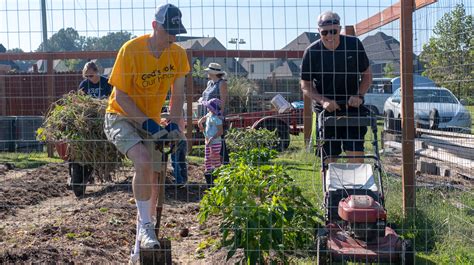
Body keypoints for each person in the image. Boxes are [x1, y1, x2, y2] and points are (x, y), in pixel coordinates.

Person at [103, 3, 189, 263]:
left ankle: (142, 237)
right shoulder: (131, 50)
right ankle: (146, 229)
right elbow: (122, 97)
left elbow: (178, 95)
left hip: (151, 119)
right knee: (142, 159)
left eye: (176, 33)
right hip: (121, 115)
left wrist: (174, 126)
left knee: (153, 172)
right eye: (168, 32)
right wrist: (151, 127)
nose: (172, 38)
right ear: (155, 26)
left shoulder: (178, 54)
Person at [300, 11, 372, 164]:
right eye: (325, 32)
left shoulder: (353, 45)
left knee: (355, 154)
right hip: (326, 110)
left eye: (333, 31)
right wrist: (323, 101)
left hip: (352, 107)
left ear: (339, 29)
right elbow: (305, 85)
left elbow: (367, 75)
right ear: (319, 32)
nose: (329, 36)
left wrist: (359, 95)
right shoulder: (311, 52)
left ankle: (355, 187)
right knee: (328, 157)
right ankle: (330, 188)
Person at [200, 62, 229, 163]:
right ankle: (212, 165)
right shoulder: (210, 83)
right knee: (210, 140)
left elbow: (223, 101)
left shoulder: (222, 83)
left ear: (214, 73)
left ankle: (223, 164)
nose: (207, 73)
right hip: (208, 114)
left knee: (218, 141)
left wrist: (219, 115)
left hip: (216, 116)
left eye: (209, 71)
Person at [198, 98, 224, 186]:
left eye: (209, 107)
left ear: (212, 108)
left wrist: (212, 138)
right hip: (207, 141)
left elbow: (220, 132)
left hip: (215, 142)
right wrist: (200, 122)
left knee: (215, 160)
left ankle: (219, 180)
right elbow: (204, 118)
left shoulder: (217, 118)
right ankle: (209, 183)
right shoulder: (209, 115)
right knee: (207, 160)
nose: (207, 108)